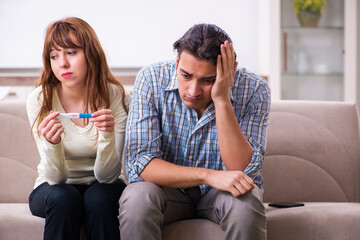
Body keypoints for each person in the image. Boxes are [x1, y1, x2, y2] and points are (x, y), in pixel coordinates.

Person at [119, 23, 271, 240]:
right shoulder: (151, 79)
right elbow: (140, 164)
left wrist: (221, 99)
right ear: (177, 62)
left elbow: (241, 170)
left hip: (222, 196)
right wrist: (207, 176)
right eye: (186, 75)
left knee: (245, 201)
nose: (193, 91)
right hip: (167, 193)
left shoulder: (255, 90)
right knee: (137, 197)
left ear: (230, 70)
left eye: (208, 80)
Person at [26, 17, 130, 240]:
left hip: (105, 186)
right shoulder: (39, 99)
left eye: (71, 52)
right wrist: (52, 144)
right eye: (54, 56)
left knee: (99, 198)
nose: (62, 63)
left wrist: (107, 135)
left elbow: (107, 176)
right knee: (64, 197)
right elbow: (56, 179)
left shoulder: (116, 96)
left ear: (90, 54)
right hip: (52, 187)